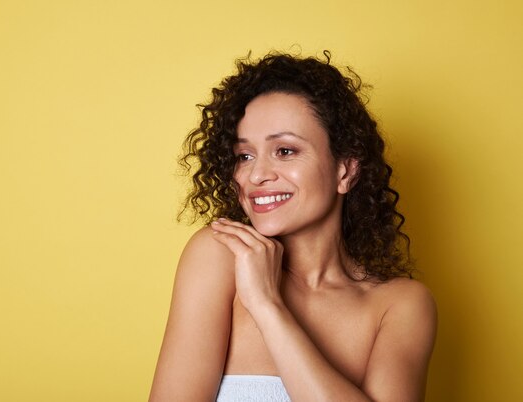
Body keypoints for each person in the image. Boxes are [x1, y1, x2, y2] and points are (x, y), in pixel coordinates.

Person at [149, 51, 437, 402]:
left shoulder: (401, 306)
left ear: (345, 170)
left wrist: (268, 307)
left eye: (284, 151)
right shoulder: (220, 256)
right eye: (244, 156)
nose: (256, 175)